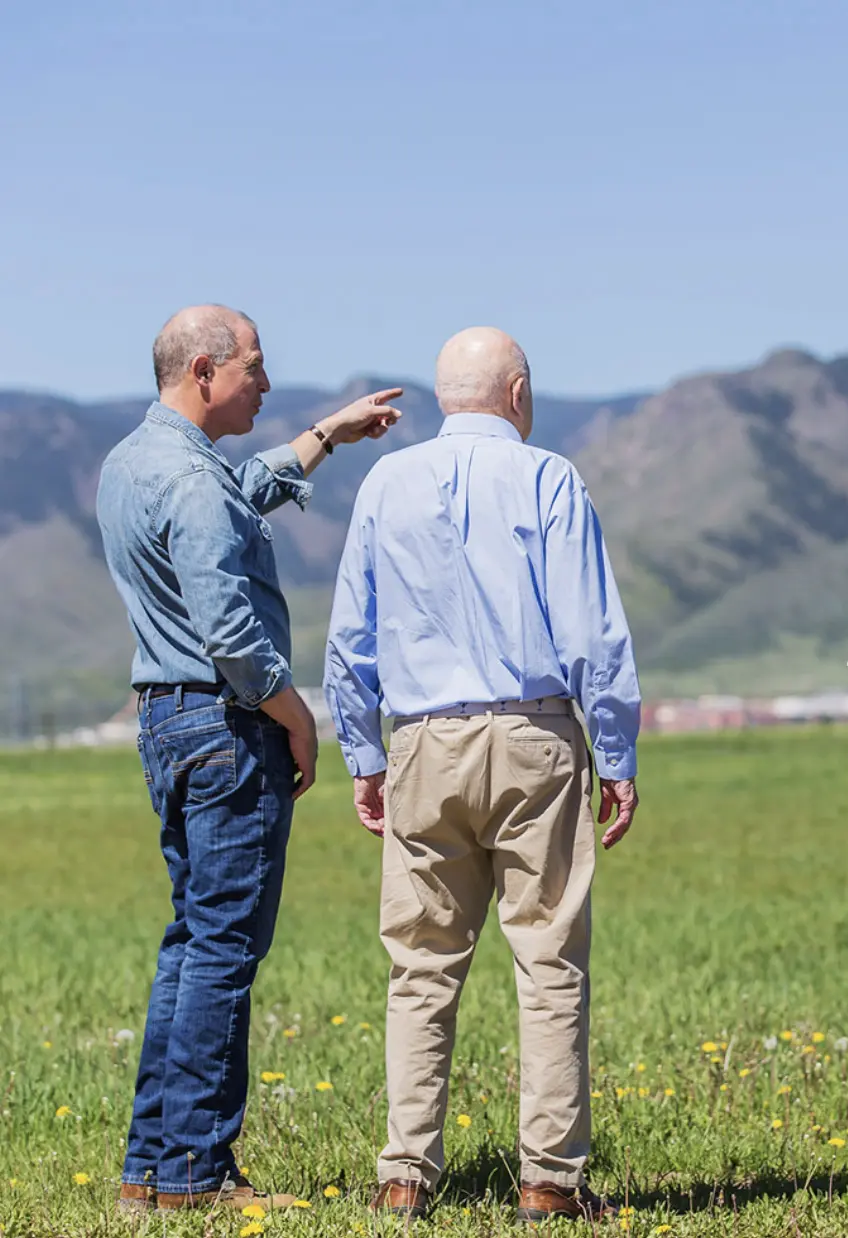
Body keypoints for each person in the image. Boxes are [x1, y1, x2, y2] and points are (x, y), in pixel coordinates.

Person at [323, 326, 640, 1223]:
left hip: (423, 739)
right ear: (519, 393)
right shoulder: (550, 478)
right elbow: (593, 636)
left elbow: (351, 637)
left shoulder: (387, 482)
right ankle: (549, 1180)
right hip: (536, 738)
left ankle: (403, 1177)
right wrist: (614, 754)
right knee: (548, 964)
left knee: (419, 968)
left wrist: (365, 753)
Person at [95, 304, 402, 1214]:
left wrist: (326, 436)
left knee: (191, 944)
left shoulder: (135, 465)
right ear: (203, 370)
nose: (265, 384)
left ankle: (150, 1168)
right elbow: (230, 629)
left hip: (169, 723)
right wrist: (296, 716)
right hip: (229, 725)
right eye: (254, 369)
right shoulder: (190, 483)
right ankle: (196, 1171)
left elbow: (237, 496)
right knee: (224, 950)